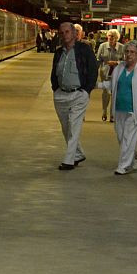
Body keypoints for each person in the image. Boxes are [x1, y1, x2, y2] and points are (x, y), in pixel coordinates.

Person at [98, 40, 137, 176]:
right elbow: (111, 85)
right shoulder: (119, 68)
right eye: (127, 51)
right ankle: (132, 157)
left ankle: (123, 166)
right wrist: (97, 85)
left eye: (132, 52)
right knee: (121, 137)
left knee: (128, 138)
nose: (129, 55)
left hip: (135, 110)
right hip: (119, 109)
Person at [50, 21, 98, 170]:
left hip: (78, 94)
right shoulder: (59, 52)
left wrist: (86, 90)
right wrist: (55, 89)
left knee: (74, 125)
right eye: (62, 32)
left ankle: (69, 160)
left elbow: (93, 70)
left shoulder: (84, 50)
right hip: (61, 95)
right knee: (66, 128)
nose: (64, 35)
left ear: (74, 34)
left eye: (67, 32)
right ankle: (78, 154)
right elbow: (54, 72)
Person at [96, 29, 125, 123]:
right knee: (106, 92)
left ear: (117, 38)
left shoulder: (122, 47)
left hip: (118, 73)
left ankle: (113, 114)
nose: (110, 38)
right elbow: (98, 60)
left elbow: (126, 61)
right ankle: (104, 111)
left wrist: (117, 62)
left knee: (115, 93)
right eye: (109, 36)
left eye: (112, 36)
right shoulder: (102, 46)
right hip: (105, 73)